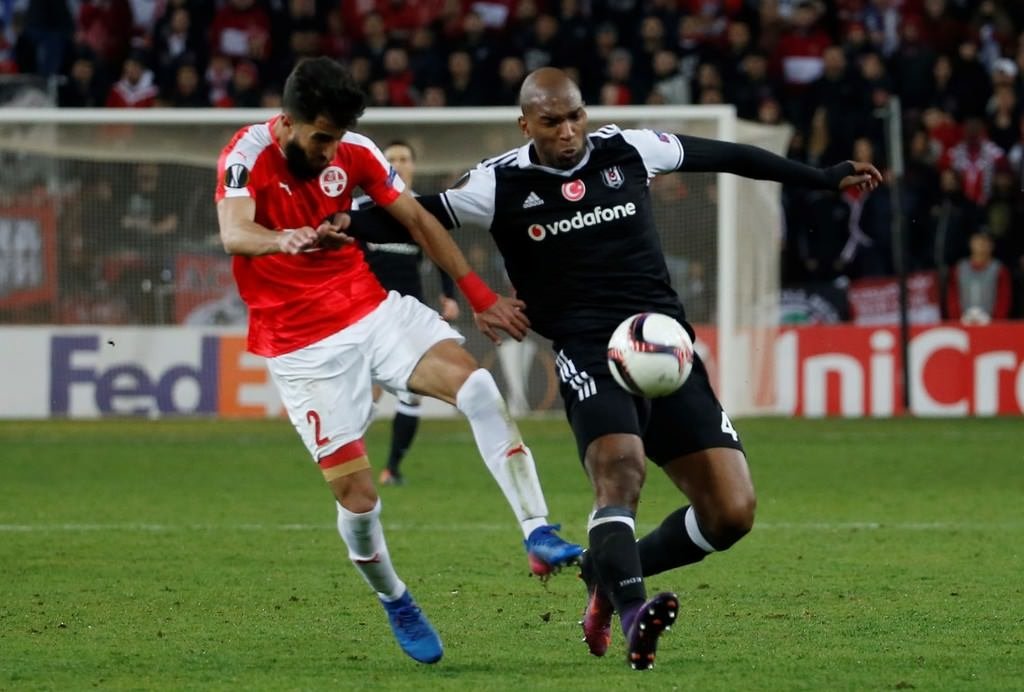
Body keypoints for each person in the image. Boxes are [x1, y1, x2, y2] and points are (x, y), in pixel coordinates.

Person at [338, 67, 882, 670]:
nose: (568, 131)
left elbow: (726, 155)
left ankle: (607, 570)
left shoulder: (630, 149)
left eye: (575, 117)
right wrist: (338, 222)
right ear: (527, 124)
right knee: (619, 471)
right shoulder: (498, 185)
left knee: (731, 513)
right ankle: (632, 616)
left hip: (666, 351)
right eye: (552, 122)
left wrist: (820, 178)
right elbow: (412, 217)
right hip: (589, 353)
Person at [214, 58, 581, 666]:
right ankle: (396, 598)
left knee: (479, 389)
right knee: (358, 498)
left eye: (338, 138)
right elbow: (234, 231)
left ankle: (537, 529)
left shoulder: (355, 150)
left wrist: (480, 296)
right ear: (288, 123)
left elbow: (416, 218)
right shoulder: (246, 153)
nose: (332, 154)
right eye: (321, 139)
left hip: (370, 310)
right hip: (300, 346)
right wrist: (281, 239)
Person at [353, 139, 461, 486]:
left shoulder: (421, 210)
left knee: (410, 393)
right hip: (367, 314)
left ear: (414, 166)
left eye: (404, 158)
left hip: (410, 311)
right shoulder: (361, 207)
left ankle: (392, 468)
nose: (399, 163)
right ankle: (349, 467)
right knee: (365, 393)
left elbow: (440, 251)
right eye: (392, 159)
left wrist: (449, 295)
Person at [945, 228, 1012, 323]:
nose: (981, 245)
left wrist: (997, 321)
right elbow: (952, 298)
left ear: (992, 245)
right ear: (971, 243)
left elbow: (1004, 300)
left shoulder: (999, 270)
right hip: (963, 322)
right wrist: (957, 320)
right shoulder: (959, 269)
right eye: (978, 240)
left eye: (985, 241)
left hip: (992, 324)